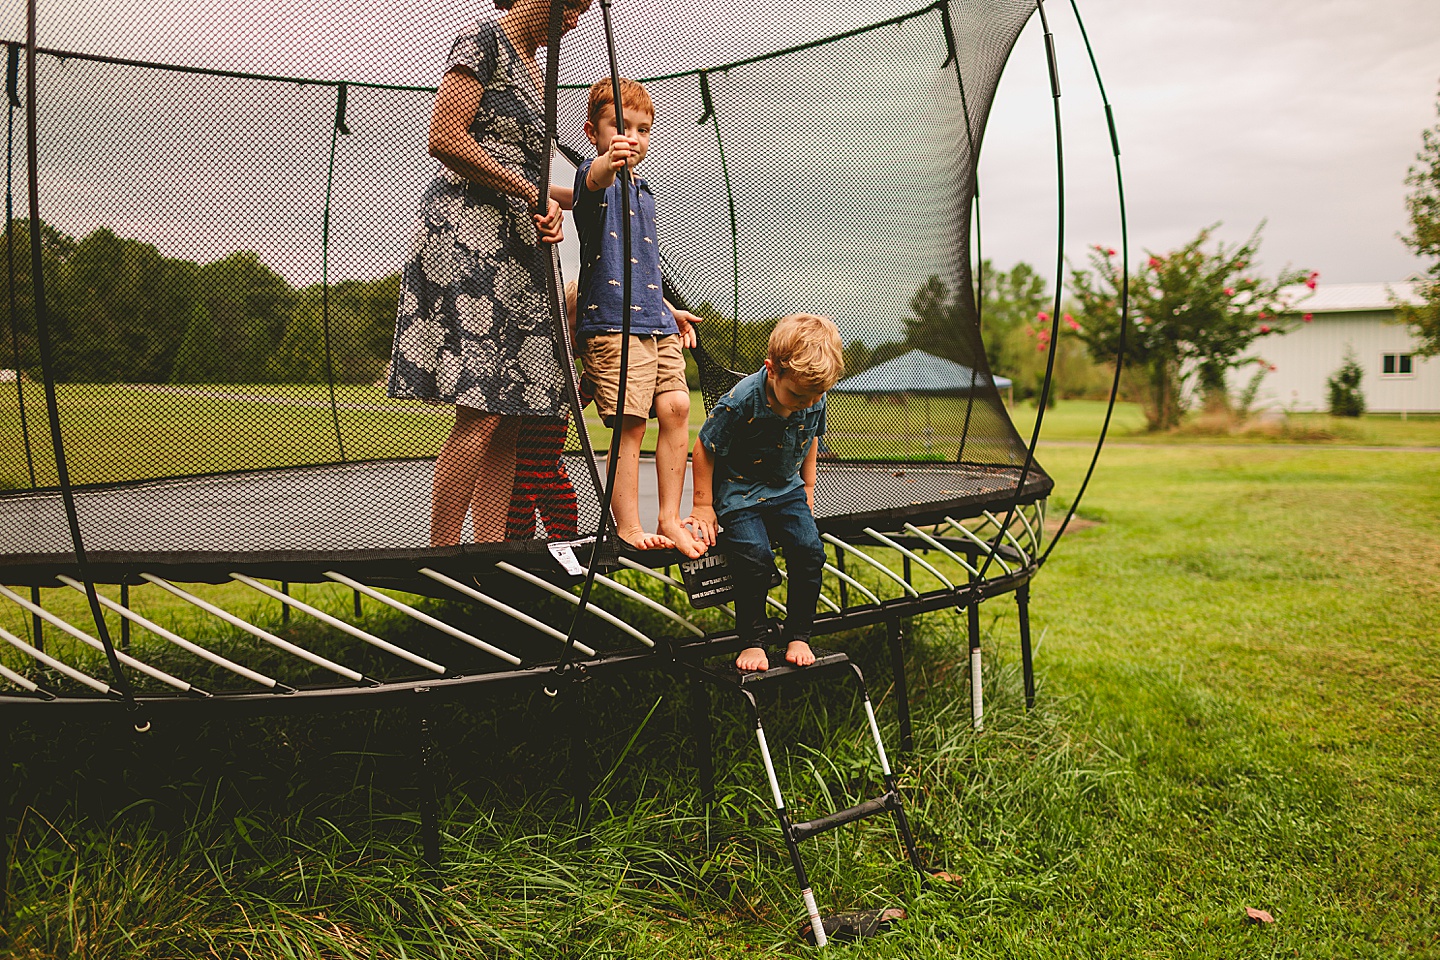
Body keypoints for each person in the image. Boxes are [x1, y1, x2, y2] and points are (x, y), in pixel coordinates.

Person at [387, 0, 592, 546]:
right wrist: (530, 192)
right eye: (573, 6)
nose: (576, 20)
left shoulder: (535, 66)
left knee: (511, 413)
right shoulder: (480, 41)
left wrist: (594, 189)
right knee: (479, 408)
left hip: (519, 250)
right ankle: (443, 552)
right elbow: (446, 139)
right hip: (470, 239)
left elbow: (532, 174)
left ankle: (490, 553)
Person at [572, 77, 706, 558]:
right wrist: (610, 158)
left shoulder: (645, 191)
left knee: (676, 409)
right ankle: (626, 525)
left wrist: (670, 310)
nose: (633, 137)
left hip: (655, 321)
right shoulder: (595, 178)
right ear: (593, 132)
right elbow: (596, 176)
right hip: (612, 325)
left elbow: (640, 267)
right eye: (620, 126)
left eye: (643, 129)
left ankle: (669, 516)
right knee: (630, 422)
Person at [686, 314, 845, 671]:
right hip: (739, 491)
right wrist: (703, 506)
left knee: (809, 550)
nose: (806, 403)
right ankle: (752, 640)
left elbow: (811, 439)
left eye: (815, 395)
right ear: (771, 369)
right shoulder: (741, 401)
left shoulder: (813, 396)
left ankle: (799, 634)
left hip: (786, 489)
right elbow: (704, 447)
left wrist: (807, 489)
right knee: (755, 555)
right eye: (797, 394)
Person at [506, 280, 584, 540]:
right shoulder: (538, 360)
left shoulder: (572, 369)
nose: (581, 338)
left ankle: (563, 561)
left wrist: (593, 382)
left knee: (566, 516)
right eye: (575, 329)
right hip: (520, 467)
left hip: (552, 464)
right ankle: (515, 566)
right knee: (517, 529)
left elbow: (576, 405)